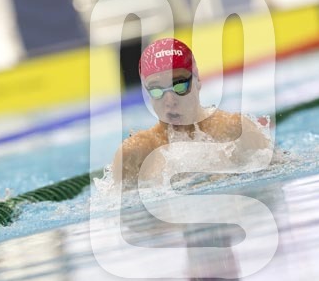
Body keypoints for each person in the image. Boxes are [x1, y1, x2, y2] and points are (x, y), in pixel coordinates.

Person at [111, 38, 272, 190]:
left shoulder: (236, 130)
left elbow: (273, 182)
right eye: (156, 90)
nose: (170, 101)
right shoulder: (135, 153)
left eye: (179, 85)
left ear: (197, 80)